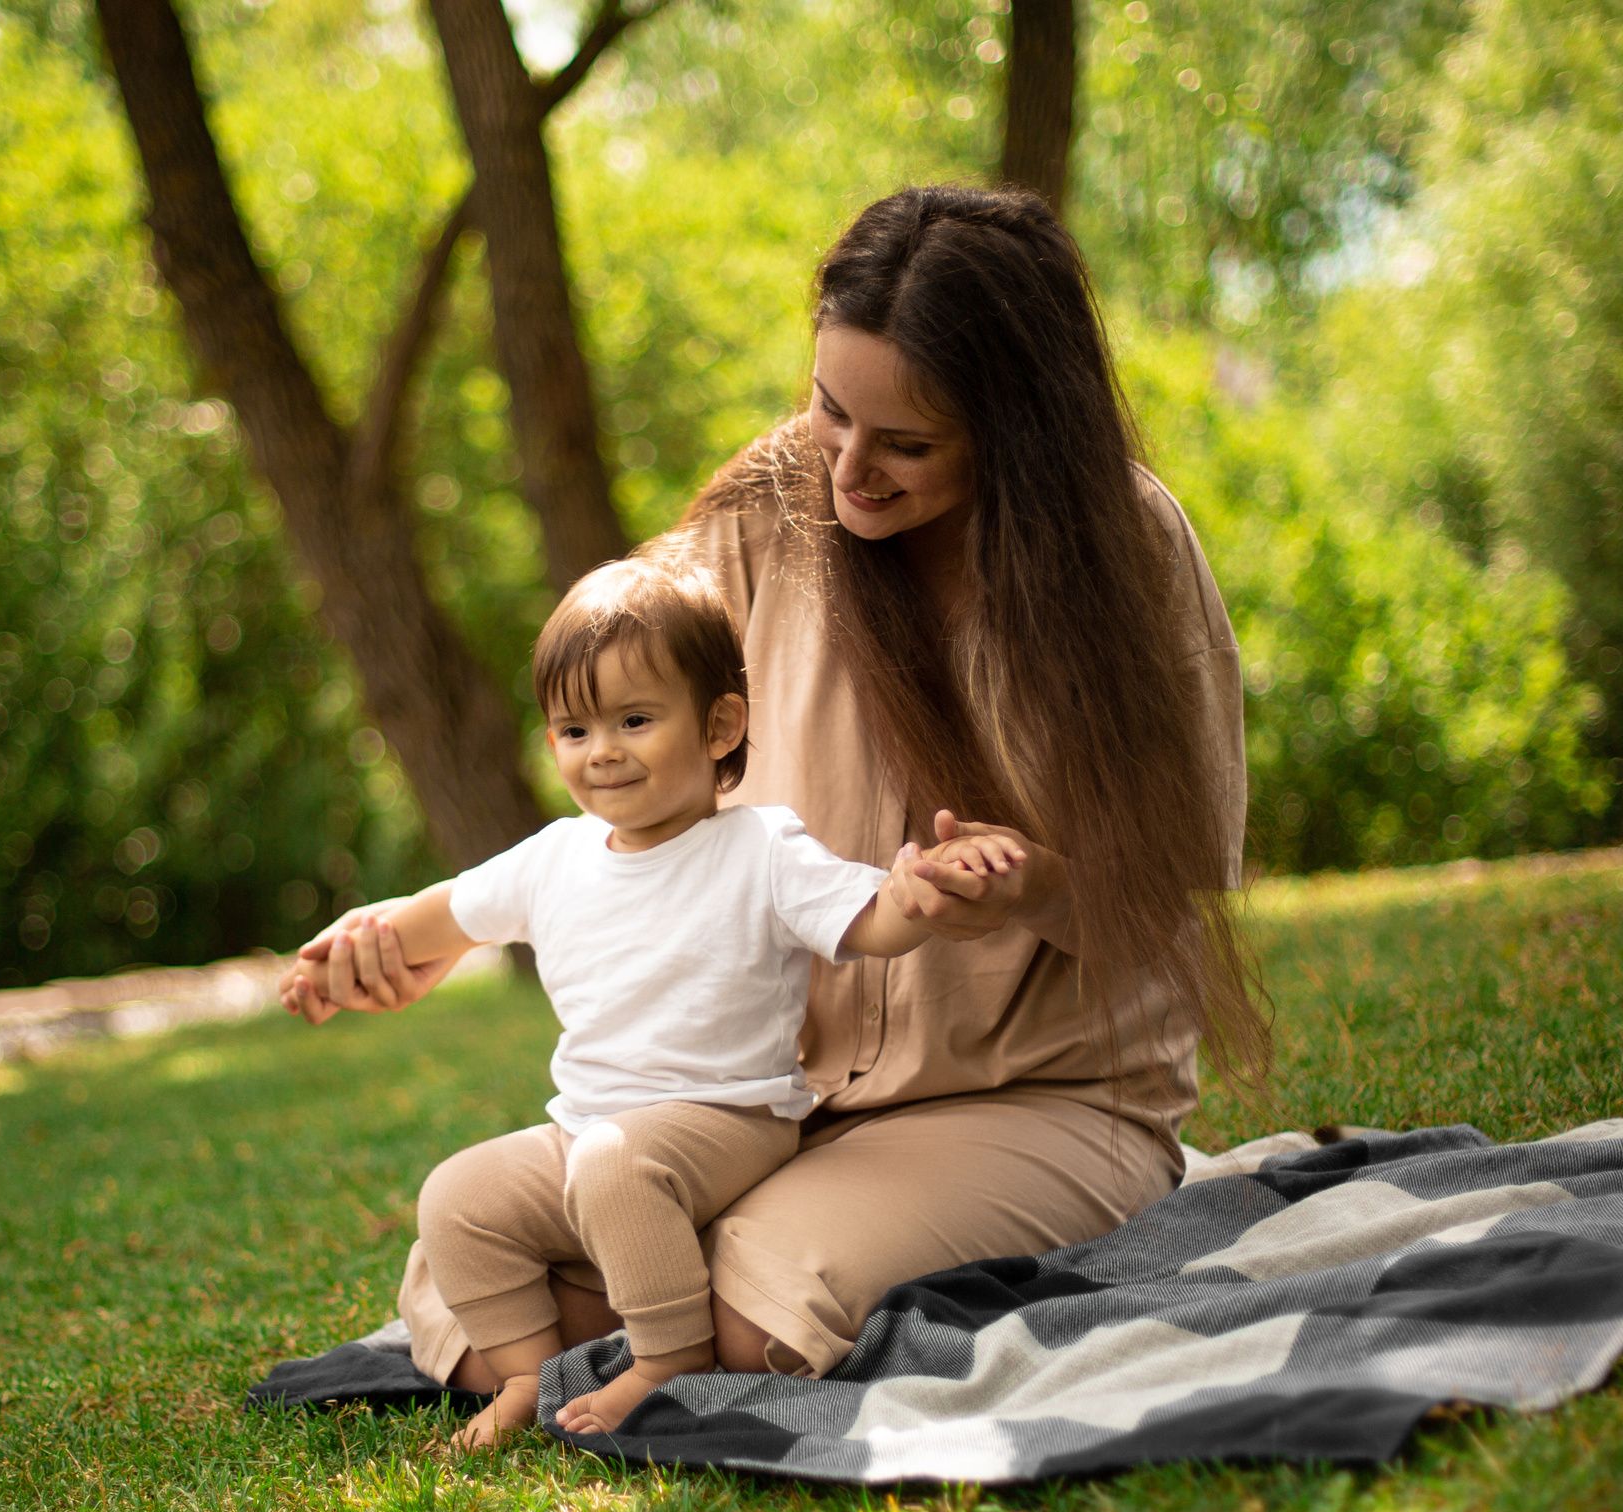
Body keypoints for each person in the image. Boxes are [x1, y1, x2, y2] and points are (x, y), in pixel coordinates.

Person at [288, 182, 1263, 1403]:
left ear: (1019, 427)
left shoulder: (1129, 557)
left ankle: (697, 1298)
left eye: (906, 442)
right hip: (766, 1103)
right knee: (471, 1264)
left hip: (1033, 1102)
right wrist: (432, 934)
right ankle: (669, 1295)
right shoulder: (773, 502)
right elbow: (629, 715)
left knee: (751, 1313)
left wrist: (1025, 890)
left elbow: (1154, 920)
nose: (849, 466)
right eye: (828, 408)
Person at [280, 561, 1026, 1445]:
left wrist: (923, 884)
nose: (602, 750)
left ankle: (671, 1360)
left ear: (720, 725)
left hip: (728, 1118)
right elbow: (443, 914)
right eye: (573, 727)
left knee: (613, 1165)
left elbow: (873, 921)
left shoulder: (760, 848)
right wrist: (346, 956)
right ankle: (525, 1374)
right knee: (457, 1194)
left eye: (635, 720)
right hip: (587, 1129)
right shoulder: (555, 857)